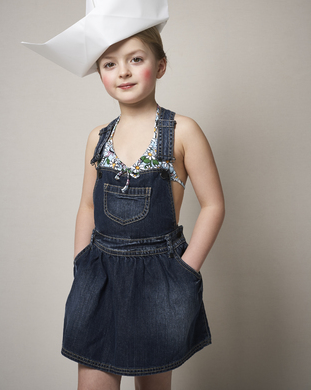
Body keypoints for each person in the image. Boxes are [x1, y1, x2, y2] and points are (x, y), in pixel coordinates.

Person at [61, 26, 225, 389]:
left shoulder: (182, 131)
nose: (123, 71)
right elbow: (87, 204)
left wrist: (185, 272)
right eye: (109, 64)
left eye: (136, 59)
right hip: (99, 275)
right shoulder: (98, 136)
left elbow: (213, 205)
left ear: (161, 65)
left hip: (159, 280)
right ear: (100, 73)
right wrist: (81, 263)